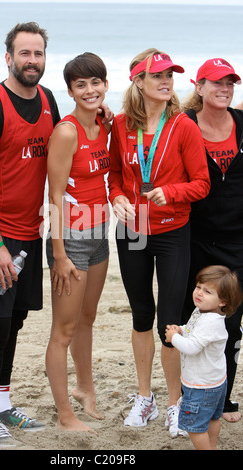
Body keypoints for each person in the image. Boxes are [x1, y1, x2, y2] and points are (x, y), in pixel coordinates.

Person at [108, 48, 210, 436]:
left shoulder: (183, 125)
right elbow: (115, 174)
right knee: (139, 315)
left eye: (170, 75)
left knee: (169, 319)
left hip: (171, 232)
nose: (167, 81)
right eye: (157, 75)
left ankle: (173, 402)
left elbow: (201, 183)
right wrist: (116, 196)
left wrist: (172, 192)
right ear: (138, 82)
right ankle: (144, 397)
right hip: (132, 230)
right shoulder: (120, 124)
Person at [0, 22, 61, 449]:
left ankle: (3, 402)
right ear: (8, 57)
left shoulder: (48, 100)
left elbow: (63, 155)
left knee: (16, 321)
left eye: (38, 54)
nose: (32, 61)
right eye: (24, 53)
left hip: (31, 232)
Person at [45, 52, 111, 432]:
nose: (90, 90)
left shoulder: (104, 124)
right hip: (70, 238)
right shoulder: (67, 131)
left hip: (99, 231)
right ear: (70, 90)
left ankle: (86, 389)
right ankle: (66, 414)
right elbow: (54, 197)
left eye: (96, 82)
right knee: (63, 330)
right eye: (81, 85)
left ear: (105, 84)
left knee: (87, 318)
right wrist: (58, 254)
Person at [181, 58, 243, 423]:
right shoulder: (184, 124)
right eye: (217, 82)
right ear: (199, 86)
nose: (224, 89)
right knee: (189, 317)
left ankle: (223, 397)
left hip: (238, 241)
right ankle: (188, 395)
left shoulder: (242, 124)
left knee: (230, 323)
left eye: (230, 83)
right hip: (195, 238)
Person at [166, 265, 242, 450]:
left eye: (207, 291)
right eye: (198, 287)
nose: (199, 293)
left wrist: (173, 338)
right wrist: (182, 330)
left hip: (200, 386)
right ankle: (212, 446)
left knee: (195, 428)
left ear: (223, 301)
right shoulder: (203, 311)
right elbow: (193, 330)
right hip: (215, 382)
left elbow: (192, 347)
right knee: (213, 418)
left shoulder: (210, 323)